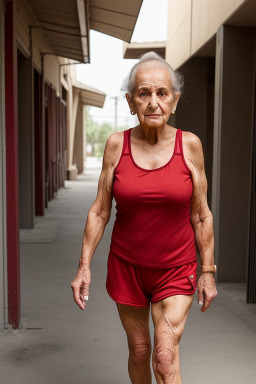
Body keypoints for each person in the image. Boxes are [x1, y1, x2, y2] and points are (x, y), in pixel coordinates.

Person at [71, 51, 218, 384]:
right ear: (130, 101)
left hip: (177, 268)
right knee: (139, 350)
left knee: (164, 357)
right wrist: (83, 267)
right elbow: (100, 208)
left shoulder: (189, 146)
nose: (153, 102)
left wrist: (207, 272)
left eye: (161, 93)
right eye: (144, 93)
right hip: (128, 267)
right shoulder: (115, 146)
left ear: (174, 101)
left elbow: (201, 215)